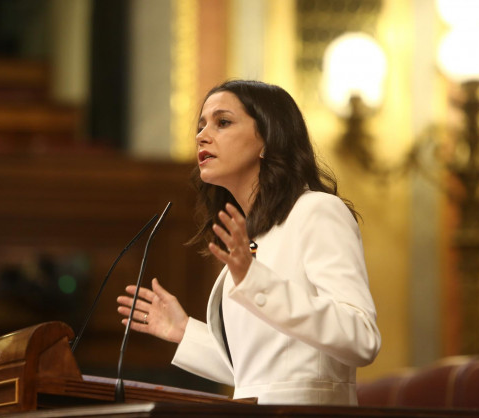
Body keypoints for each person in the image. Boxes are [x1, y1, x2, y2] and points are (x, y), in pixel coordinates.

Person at [116, 80, 381, 405]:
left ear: (268, 139)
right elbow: (262, 373)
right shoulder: (249, 236)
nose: (202, 135)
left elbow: (362, 337)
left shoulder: (317, 211)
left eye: (222, 122)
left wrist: (256, 281)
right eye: (201, 126)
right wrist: (185, 331)